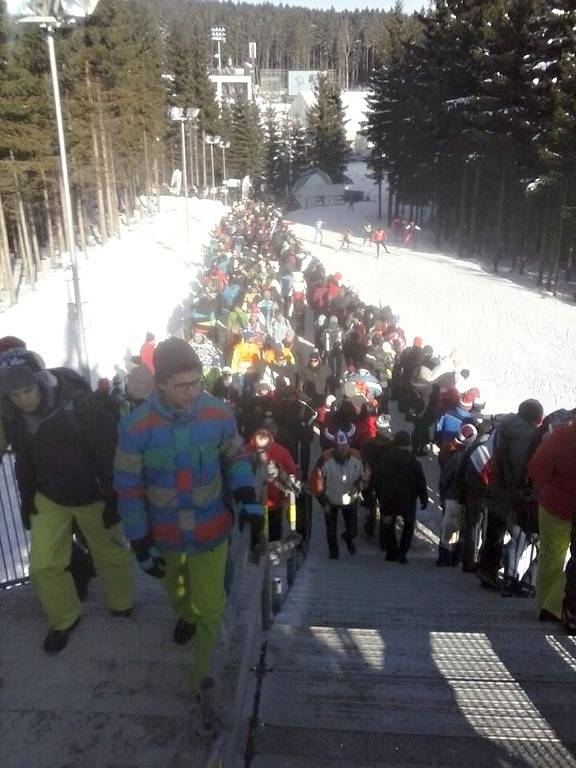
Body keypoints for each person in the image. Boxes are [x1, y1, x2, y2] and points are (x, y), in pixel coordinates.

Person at [114, 338, 263, 697]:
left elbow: (236, 457)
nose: (194, 392)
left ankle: (203, 684)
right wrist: (139, 540)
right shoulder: (136, 427)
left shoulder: (218, 414)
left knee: (213, 608)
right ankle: (186, 615)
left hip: (211, 530)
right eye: (183, 386)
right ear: (161, 383)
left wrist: (246, 496)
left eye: (198, 382)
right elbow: (129, 488)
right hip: (165, 534)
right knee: (177, 592)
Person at [0, 349, 134, 653]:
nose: (23, 400)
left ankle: (121, 603)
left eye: (27, 390)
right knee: (43, 564)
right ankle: (63, 617)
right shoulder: (12, 415)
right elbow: (24, 458)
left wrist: (113, 497)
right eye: (14, 394)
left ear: (41, 382)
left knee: (109, 553)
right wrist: (26, 497)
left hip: (92, 493)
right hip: (49, 496)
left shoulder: (80, 404)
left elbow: (107, 452)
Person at [477, 399, 544, 594]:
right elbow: (520, 466)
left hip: (496, 487)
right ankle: (510, 579)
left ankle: (487, 570)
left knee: (495, 532)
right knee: (517, 536)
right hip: (513, 493)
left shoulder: (504, 427)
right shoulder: (525, 436)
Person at [528, 416, 576, 623]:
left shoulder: (559, 436)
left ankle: (544, 607)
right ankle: (555, 603)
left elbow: (537, 470)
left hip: (554, 505)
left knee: (550, 556)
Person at [309, 427, 369, 558]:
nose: (343, 449)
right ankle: (333, 552)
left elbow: (366, 474)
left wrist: (358, 486)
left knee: (353, 529)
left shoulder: (357, 457)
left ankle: (348, 538)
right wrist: (323, 501)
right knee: (331, 529)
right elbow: (315, 482)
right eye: (340, 446)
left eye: (346, 445)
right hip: (331, 500)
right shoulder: (324, 459)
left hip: (350, 499)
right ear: (334, 446)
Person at [373, 430, 428, 563]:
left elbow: (377, 476)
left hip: (388, 498)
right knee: (408, 525)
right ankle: (402, 553)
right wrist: (423, 497)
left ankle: (391, 551)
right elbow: (421, 480)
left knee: (388, 524)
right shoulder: (413, 461)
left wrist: (377, 493)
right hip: (407, 499)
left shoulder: (385, 457)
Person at [246, 425, 297, 542]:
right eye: (259, 435)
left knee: (274, 537)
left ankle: (272, 552)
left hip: (274, 505)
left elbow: (291, 476)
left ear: (271, 437)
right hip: (252, 505)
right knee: (255, 537)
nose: (262, 438)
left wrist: (286, 499)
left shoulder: (282, 453)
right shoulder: (244, 453)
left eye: (266, 435)